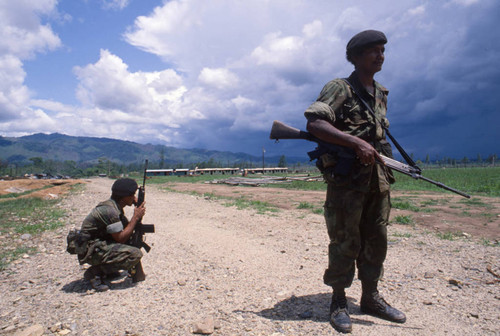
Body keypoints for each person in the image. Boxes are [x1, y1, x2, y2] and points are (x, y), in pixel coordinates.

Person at [304, 30, 406, 333]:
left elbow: (375, 135)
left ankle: (371, 297)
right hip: (347, 182)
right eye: (373, 51)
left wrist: (373, 150)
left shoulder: (381, 92)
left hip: (377, 180)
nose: (380, 56)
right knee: (345, 241)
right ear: (356, 56)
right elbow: (315, 122)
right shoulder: (340, 88)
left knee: (377, 238)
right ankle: (338, 301)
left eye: (382, 50)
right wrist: (354, 143)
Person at [77, 178, 146, 291]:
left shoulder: (115, 206)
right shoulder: (110, 211)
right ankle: (94, 273)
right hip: (89, 249)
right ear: (124, 197)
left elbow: (126, 229)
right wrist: (135, 217)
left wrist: (137, 215)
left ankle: (108, 270)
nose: (134, 198)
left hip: (97, 244)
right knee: (134, 254)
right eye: (132, 195)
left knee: (130, 241)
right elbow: (121, 238)